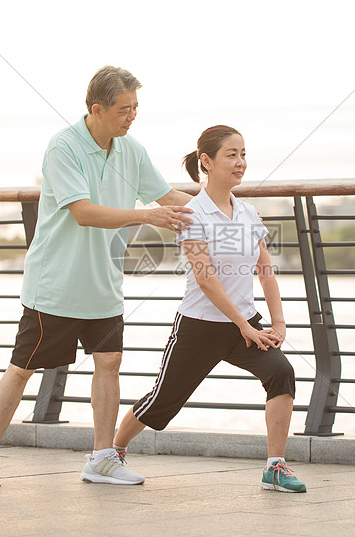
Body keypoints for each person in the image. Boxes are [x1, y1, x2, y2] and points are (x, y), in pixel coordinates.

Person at [0, 66, 193, 487]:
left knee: (109, 364)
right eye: (125, 109)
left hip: (102, 285)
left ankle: (102, 458)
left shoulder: (131, 149)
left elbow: (167, 196)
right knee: (21, 369)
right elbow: (84, 212)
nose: (132, 117)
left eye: (136, 108)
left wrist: (226, 213)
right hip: (55, 285)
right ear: (97, 108)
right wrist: (148, 215)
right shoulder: (64, 147)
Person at [112, 125, 306, 493]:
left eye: (243, 154)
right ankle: (112, 454)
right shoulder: (191, 213)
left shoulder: (248, 213)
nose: (240, 162)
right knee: (162, 401)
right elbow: (206, 279)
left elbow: (265, 271)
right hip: (199, 326)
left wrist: (276, 322)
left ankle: (275, 467)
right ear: (207, 161)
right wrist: (245, 327)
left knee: (281, 373)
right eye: (231, 154)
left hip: (244, 325)